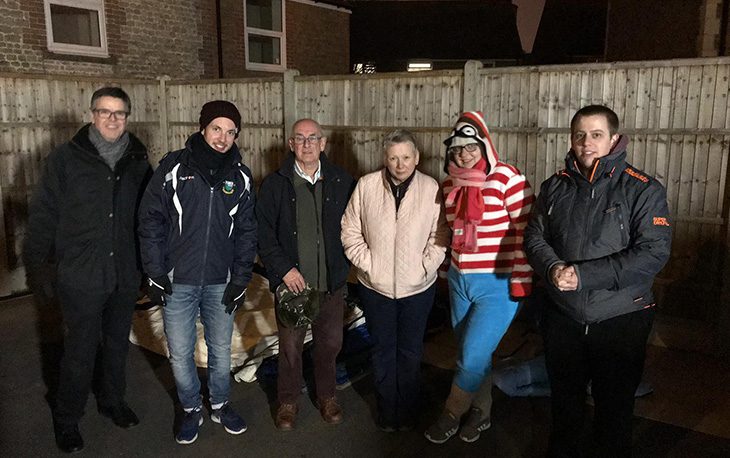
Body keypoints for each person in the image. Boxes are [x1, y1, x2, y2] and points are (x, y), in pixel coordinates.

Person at [524, 105, 672, 457]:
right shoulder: (555, 186)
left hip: (620, 318)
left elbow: (653, 252)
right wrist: (552, 269)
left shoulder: (643, 189)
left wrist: (584, 276)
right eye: (579, 135)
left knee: (614, 410)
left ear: (614, 139)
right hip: (564, 316)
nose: (586, 143)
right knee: (564, 404)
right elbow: (534, 237)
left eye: (596, 135)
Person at [23, 87, 151, 453]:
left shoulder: (139, 160)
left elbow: (150, 217)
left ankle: (113, 401)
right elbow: (43, 217)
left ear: (127, 117)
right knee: (78, 352)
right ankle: (67, 418)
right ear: (92, 114)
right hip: (81, 276)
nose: (113, 119)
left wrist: (152, 268)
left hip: (124, 274)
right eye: (105, 111)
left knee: (116, 346)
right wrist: (39, 270)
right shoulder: (65, 160)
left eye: (120, 113)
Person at [137, 100, 257, 445]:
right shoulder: (174, 168)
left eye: (231, 132)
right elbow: (151, 221)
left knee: (220, 349)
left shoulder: (242, 177)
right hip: (178, 281)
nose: (223, 137)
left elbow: (248, 232)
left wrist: (241, 279)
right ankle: (191, 408)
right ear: (203, 127)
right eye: (217, 128)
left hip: (221, 282)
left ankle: (219, 404)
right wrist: (155, 273)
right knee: (180, 349)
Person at [424, 111, 534, 444]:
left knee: (470, 354)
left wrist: (521, 279)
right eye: (457, 149)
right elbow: (450, 233)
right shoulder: (449, 185)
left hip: (497, 283)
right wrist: (445, 275)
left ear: (484, 145)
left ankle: (452, 412)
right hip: (460, 279)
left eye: (470, 147)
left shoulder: (508, 179)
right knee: (475, 353)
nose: (464, 154)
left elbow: (527, 231)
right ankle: (482, 412)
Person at [341, 130, 450, 432]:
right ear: (385, 159)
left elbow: (440, 235)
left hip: (418, 288)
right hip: (376, 289)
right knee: (383, 350)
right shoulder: (367, 186)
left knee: (411, 350)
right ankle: (388, 411)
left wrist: (424, 267)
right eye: (393, 158)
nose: (400, 164)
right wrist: (369, 264)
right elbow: (350, 229)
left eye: (406, 157)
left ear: (417, 158)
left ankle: (410, 409)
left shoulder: (431, 189)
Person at [256, 118, 354, 431]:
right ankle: (288, 401)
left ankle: (327, 396)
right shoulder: (275, 185)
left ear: (323, 144)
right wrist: (284, 269)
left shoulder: (341, 181)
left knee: (329, 345)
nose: (307, 144)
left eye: (313, 138)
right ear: (291, 145)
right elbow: (263, 234)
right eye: (300, 138)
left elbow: (355, 225)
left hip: (330, 283)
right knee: (290, 349)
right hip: (293, 287)